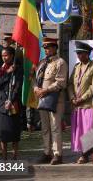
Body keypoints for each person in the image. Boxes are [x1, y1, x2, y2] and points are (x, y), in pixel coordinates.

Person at [34, 37, 68, 165]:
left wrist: (46, 90)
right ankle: (47, 152)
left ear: (55, 48)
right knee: (45, 128)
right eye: (45, 48)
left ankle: (57, 154)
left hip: (55, 100)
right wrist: (36, 88)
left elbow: (61, 82)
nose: (46, 50)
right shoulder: (42, 63)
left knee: (55, 127)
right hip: (42, 99)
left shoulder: (60, 62)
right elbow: (36, 79)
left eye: (48, 47)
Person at [68, 41, 93, 164]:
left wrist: (82, 98)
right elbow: (70, 84)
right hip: (76, 105)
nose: (78, 56)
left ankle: (85, 154)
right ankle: (83, 152)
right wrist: (72, 98)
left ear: (87, 54)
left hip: (88, 104)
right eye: (77, 53)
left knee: (88, 130)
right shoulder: (77, 67)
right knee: (79, 130)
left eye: (81, 53)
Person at [0, 46, 22, 160]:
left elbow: (18, 86)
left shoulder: (18, 69)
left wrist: (11, 100)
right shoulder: (1, 69)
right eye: (2, 56)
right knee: (3, 132)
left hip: (13, 102)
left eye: (6, 55)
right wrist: (7, 72)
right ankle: (4, 155)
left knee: (14, 131)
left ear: (12, 56)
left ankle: (15, 154)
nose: (4, 58)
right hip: (2, 103)